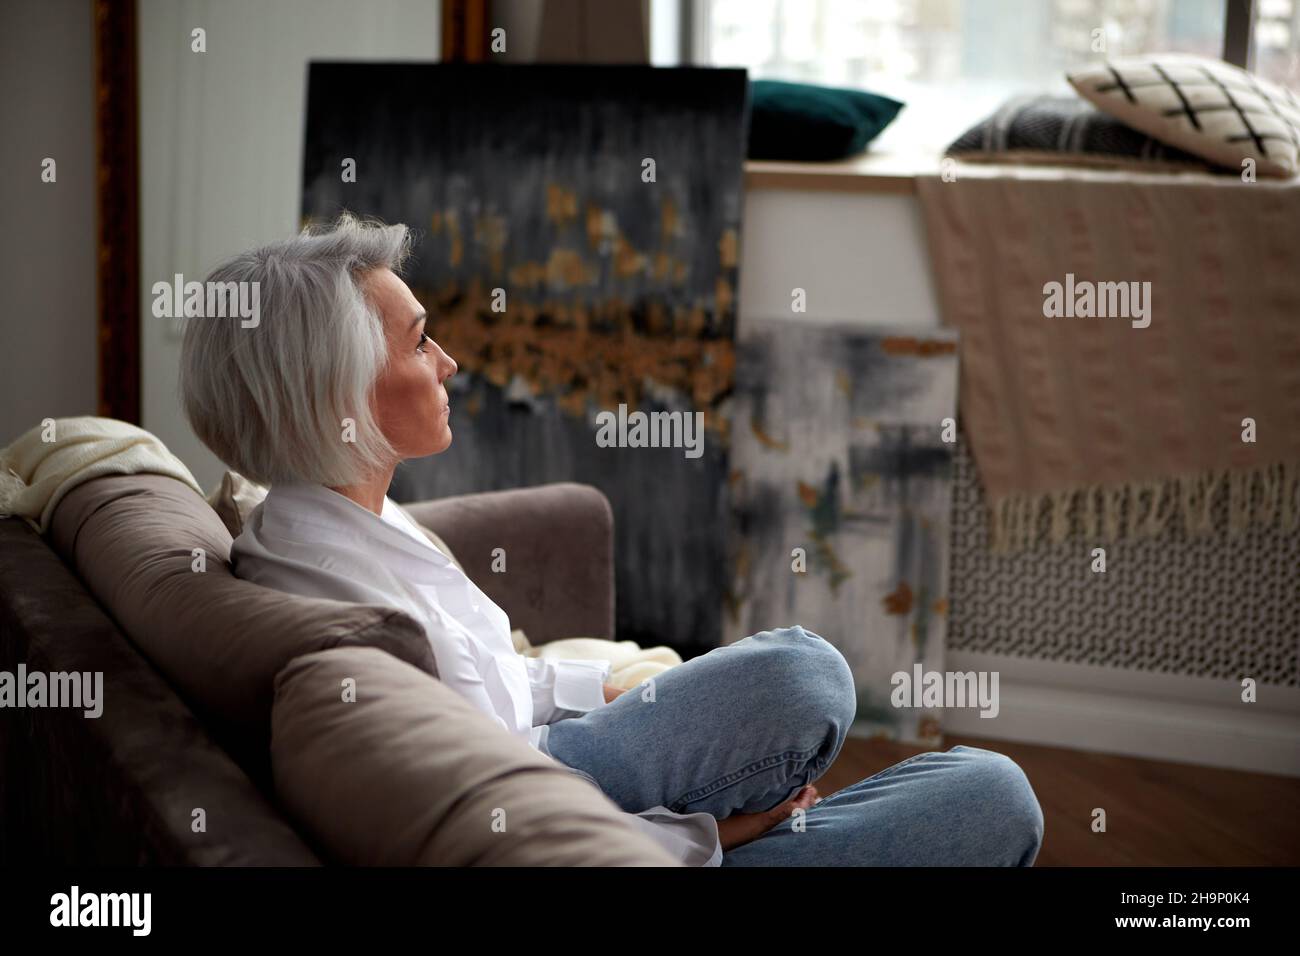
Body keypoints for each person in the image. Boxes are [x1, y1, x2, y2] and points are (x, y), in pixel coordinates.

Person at [179, 213, 1044, 867]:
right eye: (418, 342)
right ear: (337, 390)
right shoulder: (334, 594)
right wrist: (710, 835)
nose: (447, 361)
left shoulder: (347, 523)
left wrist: (629, 681)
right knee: (980, 791)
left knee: (812, 683)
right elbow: (500, 827)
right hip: (577, 819)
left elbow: (494, 684)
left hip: (564, 763)